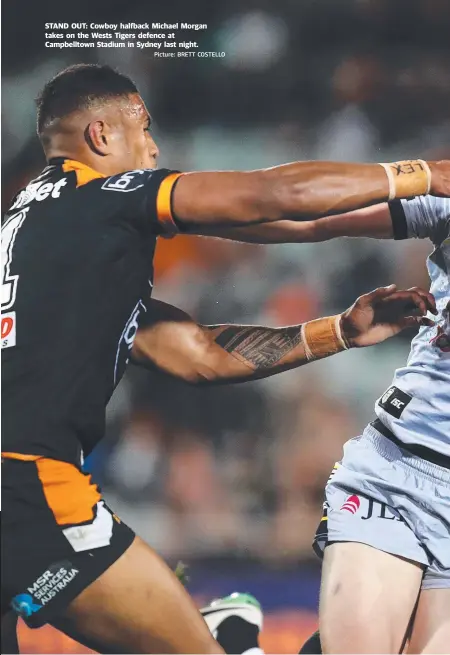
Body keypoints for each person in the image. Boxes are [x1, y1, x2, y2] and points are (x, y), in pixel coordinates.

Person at [1, 61, 449, 653]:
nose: (155, 147)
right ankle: (233, 636)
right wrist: (423, 174)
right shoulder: (106, 196)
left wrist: (336, 331)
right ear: (102, 136)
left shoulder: (43, 233)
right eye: (144, 129)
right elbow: (278, 197)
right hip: (28, 486)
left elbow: (198, 355)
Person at [200, 195, 450, 653]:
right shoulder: (447, 189)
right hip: (402, 474)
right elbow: (309, 217)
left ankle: (234, 642)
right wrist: (178, 210)